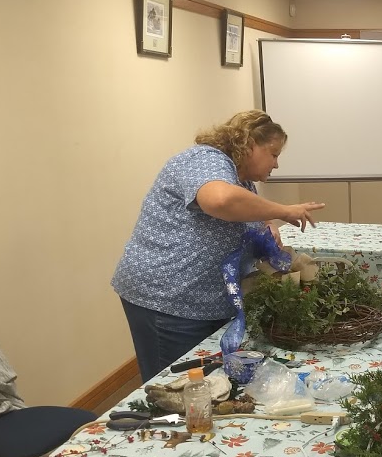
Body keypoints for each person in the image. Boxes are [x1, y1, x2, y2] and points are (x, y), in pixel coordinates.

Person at [112, 110, 324, 380]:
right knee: (176, 385)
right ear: (249, 145)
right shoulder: (203, 159)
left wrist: (267, 221)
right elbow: (221, 201)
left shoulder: (239, 176)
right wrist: (284, 210)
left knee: (206, 383)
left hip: (203, 299)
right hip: (168, 298)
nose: (276, 164)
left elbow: (244, 205)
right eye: (273, 154)